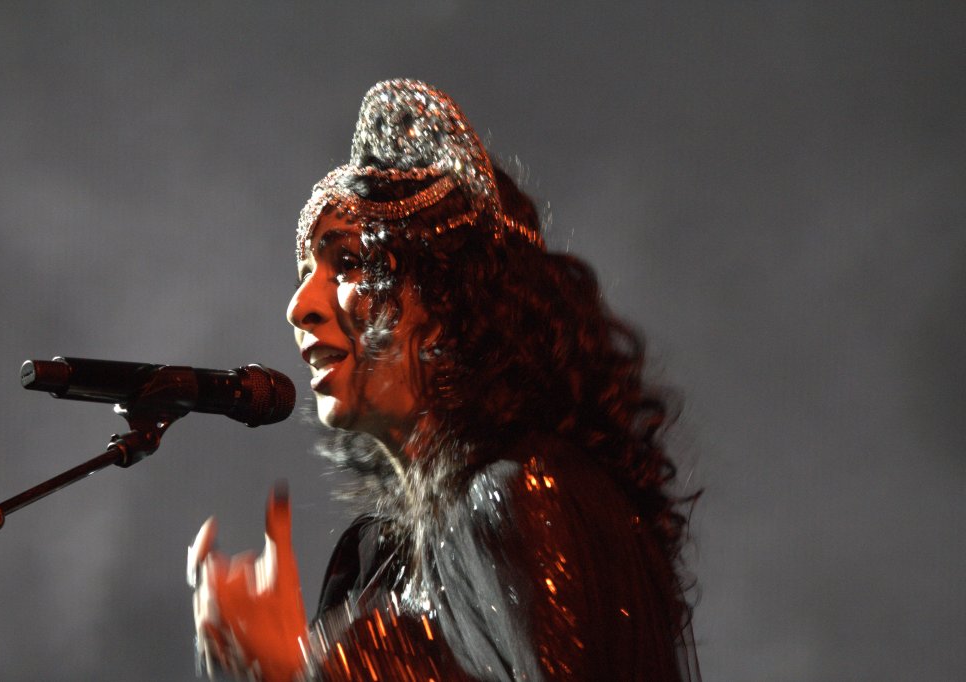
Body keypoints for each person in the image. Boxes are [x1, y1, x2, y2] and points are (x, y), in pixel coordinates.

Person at [187, 79, 699, 681]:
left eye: (346, 263)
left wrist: (292, 668)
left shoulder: (520, 495)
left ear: (446, 299)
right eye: (304, 273)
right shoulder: (387, 560)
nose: (300, 306)